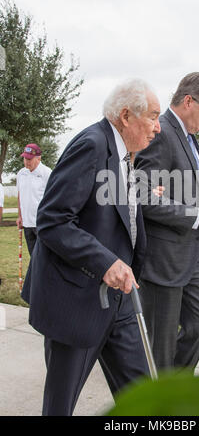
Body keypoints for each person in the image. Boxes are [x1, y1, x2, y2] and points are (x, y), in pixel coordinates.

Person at [21, 78, 161, 416]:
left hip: (120, 300)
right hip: (77, 300)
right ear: (126, 116)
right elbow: (53, 220)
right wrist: (105, 262)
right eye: (154, 117)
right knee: (60, 405)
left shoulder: (127, 155)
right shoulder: (91, 144)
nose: (158, 128)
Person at [135, 72, 199, 370]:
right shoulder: (162, 133)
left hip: (191, 253)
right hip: (164, 260)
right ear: (189, 101)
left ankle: (175, 385)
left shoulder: (188, 136)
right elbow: (143, 197)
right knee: (160, 343)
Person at [16, 144, 52, 255]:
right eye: (25, 158)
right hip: (27, 224)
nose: (27, 161)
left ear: (38, 158)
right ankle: (35, 273)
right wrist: (20, 216)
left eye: (30, 159)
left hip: (41, 223)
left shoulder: (47, 173)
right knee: (33, 256)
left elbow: (51, 197)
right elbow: (20, 196)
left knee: (45, 256)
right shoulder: (21, 173)